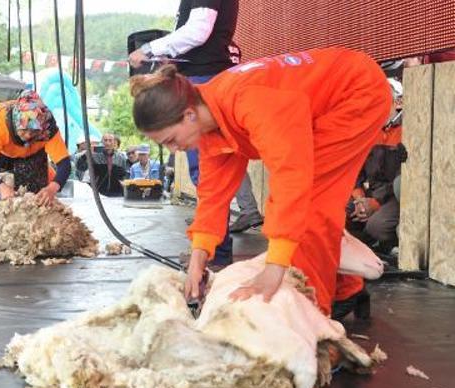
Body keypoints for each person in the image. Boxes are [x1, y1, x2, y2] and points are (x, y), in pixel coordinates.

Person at [130, 48, 392, 319]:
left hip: (356, 93)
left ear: (188, 115)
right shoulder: (209, 117)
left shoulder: (248, 101)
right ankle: (347, 289)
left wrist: (275, 266)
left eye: (171, 140)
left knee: (312, 206)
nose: (174, 150)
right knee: (310, 208)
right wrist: (198, 258)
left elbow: (290, 176)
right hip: (325, 98)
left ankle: (313, 318)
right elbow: (212, 196)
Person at [129, 0, 240, 267]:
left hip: (206, 76)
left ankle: (216, 254)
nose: (172, 149)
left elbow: (199, 30)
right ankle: (212, 250)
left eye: (170, 140)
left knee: (206, 172)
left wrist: (150, 49)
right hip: (203, 75)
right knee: (208, 173)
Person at [0, 90, 71, 206]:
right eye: (24, 130)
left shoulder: (48, 129)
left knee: (35, 199)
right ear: (16, 122)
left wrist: (52, 188)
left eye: (34, 131)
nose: (28, 135)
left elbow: (64, 163)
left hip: (33, 153)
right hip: (2, 150)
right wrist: (2, 187)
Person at [346, 78, 406, 255]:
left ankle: (382, 242)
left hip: (392, 196)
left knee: (377, 227)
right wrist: (359, 199)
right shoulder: (367, 130)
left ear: (399, 102)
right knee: (337, 213)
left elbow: (402, 178)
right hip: (370, 195)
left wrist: (375, 203)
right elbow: (353, 169)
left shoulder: (409, 129)